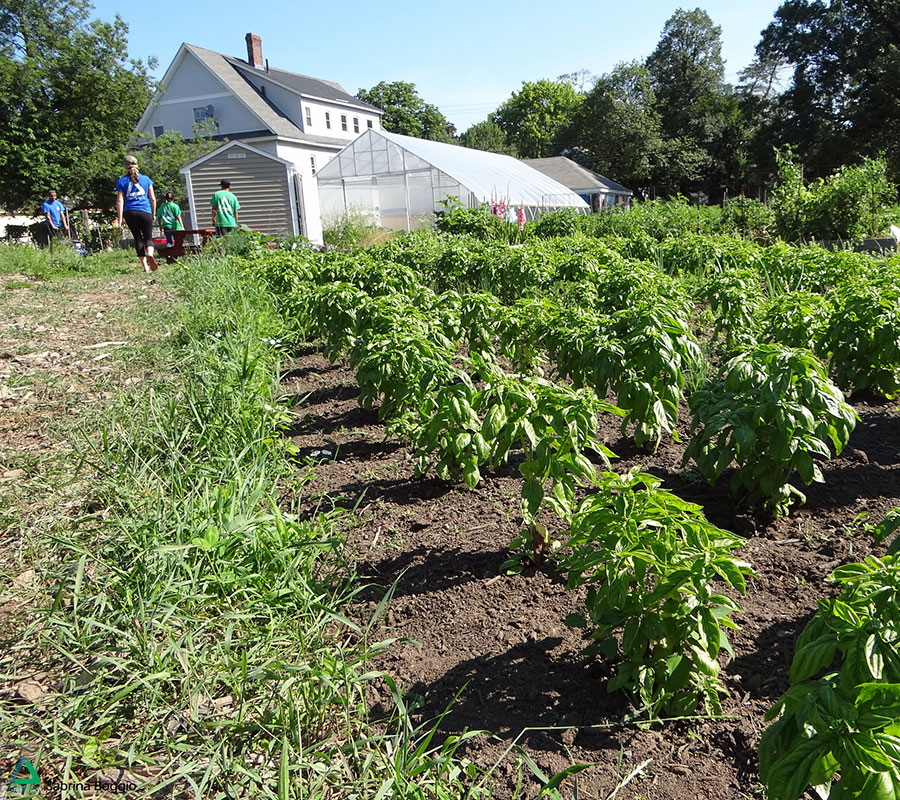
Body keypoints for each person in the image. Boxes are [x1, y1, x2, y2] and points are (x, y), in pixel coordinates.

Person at [115, 155, 157, 272]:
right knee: (148, 237)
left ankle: (145, 267)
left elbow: (119, 201)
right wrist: (153, 213)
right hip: (145, 211)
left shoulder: (121, 181)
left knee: (138, 238)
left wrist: (120, 219)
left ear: (124, 167)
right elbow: (152, 198)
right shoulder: (146, 179)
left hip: (130, 212)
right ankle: (150, 254)